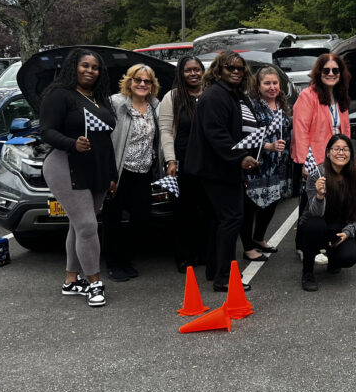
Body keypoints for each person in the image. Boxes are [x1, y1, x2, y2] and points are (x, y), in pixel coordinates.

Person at [39, 48, 116, 308]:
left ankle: (71, 281)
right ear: (74, 67)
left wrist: (113, 174)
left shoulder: (99, 98)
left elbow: (106, 142)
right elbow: (46, 131)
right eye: (85, 65)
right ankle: (94, 283)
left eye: (95, 67)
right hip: (65, 166)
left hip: (97, 169)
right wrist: (72, 143)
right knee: (87, 226)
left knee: (78, 226)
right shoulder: (59, 95)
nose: (90, 71)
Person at [183, 52, 260, 292]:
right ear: (219, 70)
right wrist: (241, 158)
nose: (236, 71)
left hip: (222, 167)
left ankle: (214, 270)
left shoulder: (231, 94)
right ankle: (224, 278)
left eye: (240, 68)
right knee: (231, 219)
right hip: (217, 169)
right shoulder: (215, 96)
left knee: (219, 220)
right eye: (230, 68)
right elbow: (216, 135)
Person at [104, 64, 161, 282]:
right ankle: (113, 263)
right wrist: (109, 174)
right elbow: (107, 139)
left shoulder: (155, 105)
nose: (142, 84)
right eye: (138, 80)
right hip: (120, 172)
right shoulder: (116, 103)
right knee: (113, 219)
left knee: (141, 218)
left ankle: (126, 258)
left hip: (143, 171)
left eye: (147, 81)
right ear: (129, 81)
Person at [292, 53, 351, 257]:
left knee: (330, 202)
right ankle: (303, 245)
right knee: (309, 203)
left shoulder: (340, 96)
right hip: (315, 160)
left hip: (337, 160)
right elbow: (300, 130)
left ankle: (326, 243)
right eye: (326, 70)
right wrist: (305, 162)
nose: (331, 74)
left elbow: (345, 130)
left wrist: (347, 155)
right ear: (319, 73)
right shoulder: (307, 96)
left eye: (336, 70)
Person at [159, 56, 208, 273]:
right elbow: (166, 131)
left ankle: (204, 252)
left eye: (197, 69)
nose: (193, 74)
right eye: (188, 70)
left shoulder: (210, 94)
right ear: (181, 73)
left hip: (208, 164)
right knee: (183, 212)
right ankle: (184, 256)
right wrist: (170, 160)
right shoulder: (173, 97)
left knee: (205, 210)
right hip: (182, 163)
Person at [299, 134, 356, 291]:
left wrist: (347, 232)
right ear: (328, 152)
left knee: (349, 257)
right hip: (316, 224)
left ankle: (333, 259)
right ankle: (307, 272)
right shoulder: (317, 176)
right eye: (336, 149)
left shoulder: (355, 178)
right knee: (315, 225)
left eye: (345, 149)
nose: (341, 153)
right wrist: (320, 195)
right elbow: (315, 212)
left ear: (351, 154)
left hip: (338, 228)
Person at [241, 66, 292, 261]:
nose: (272, 87)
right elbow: (245, 135)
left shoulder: (281, 103)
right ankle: (248, 248)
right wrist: (268, 146)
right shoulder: (252, 106)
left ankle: (259, 238)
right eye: (267, 83)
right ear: (258, 84)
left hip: (279, 165)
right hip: (258, 164)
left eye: (275, 83)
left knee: (272, 202)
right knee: (251, 205)